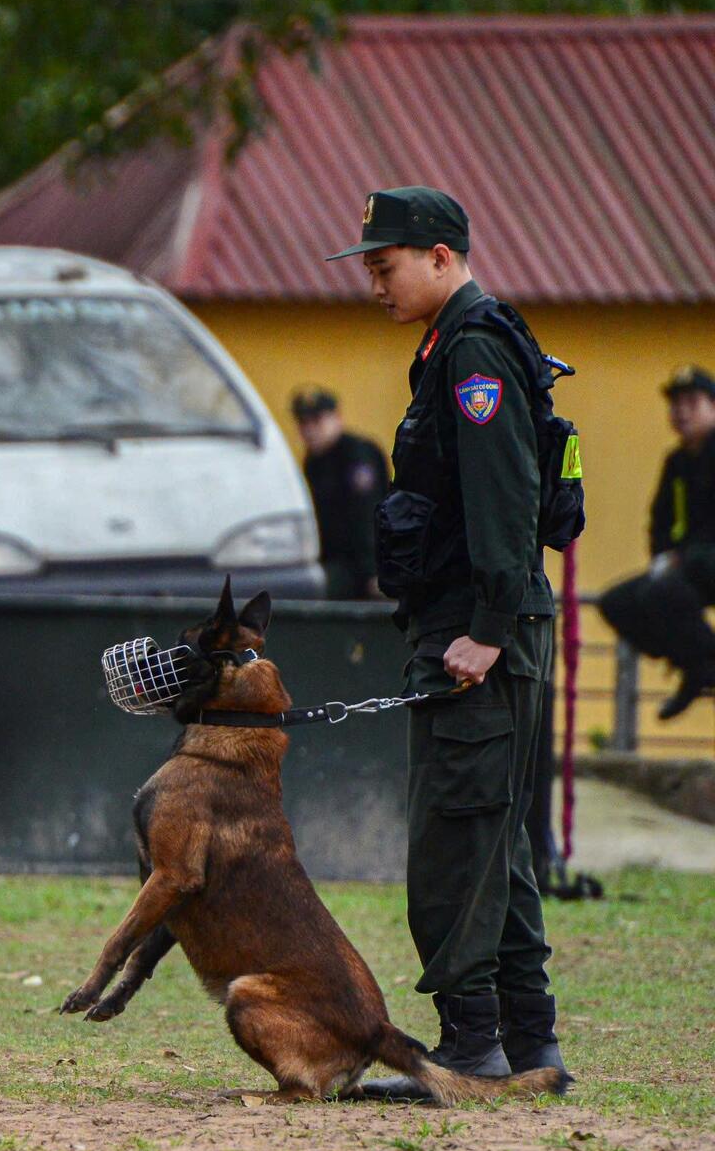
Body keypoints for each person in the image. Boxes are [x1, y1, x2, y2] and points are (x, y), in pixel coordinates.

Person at [324, 186, 566, 1097]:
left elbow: (505, 500)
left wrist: (487, 631)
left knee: (455, 844)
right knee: (494, 839)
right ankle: (529, 1038)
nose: (375, 285)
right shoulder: (457, 344)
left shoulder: (472, 351)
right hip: (474, 626)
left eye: (385, 267)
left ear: (439, 255)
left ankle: (471, 1044)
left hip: (477, 636)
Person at [598, 365, 715, 720]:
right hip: (689, 567)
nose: (681, 412)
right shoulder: (676, 462)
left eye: (691, 402)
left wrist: (682, 558)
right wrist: (663, 556)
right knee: (617, 603)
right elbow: (660, 521)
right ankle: (696, 666)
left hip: (703, 562)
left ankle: (704, 662)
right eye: (675, 404)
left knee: (662, 591)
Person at [290, 385, 390, 599]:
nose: (309, 430)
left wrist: (372, 573)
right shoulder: (314, 461)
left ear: (337, 419)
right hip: (333, 561)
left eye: (317, 421)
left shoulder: (356, 454)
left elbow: (367, 515)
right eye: (303, 423)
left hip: (361, 568)